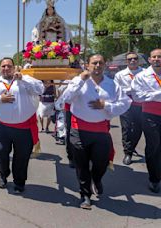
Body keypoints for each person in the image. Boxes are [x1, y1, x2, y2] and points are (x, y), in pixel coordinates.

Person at [63, 54, 131, 209]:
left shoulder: (112, 84)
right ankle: (85, 195)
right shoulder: (77, 81)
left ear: (105, 65)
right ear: (88, 65)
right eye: (94, 63)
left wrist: (106, 105)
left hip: (101, 131)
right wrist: (81, 80)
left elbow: (125, 103)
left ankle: (97, 179)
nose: (97, 65)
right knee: (82, 165)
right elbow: (66, 98)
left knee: (101, 163)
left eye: (101, 63)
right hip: (79, 130)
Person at [0, 57, 44, 193]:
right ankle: (3, 174)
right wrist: (0, 99)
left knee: (21, 158)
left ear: (14, 67)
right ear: (0, 68)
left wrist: (23, 79)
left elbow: (40, 89)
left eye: (9, 66)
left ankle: (19, 182)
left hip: (23, 128)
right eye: (3, 66)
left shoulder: (25, 79)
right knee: (0, 153)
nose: (6, 68)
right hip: (3, 128)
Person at [131, 48, 161, 193]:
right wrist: (158, 95)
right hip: (151, 115)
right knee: (154, 147)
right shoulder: (142, 76)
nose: (157, 59)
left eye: (159, 57)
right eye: (154, 57)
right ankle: (154, 179)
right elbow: (137, 97)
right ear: (149, 60)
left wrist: (153, 94)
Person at [114, 52, 144, 165]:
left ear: (138, 60)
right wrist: (131, 90)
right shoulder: (120, 74)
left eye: (135, 58)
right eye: (130, 59)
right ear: (126, 61)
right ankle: (128, 153)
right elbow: (117, 90)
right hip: (126, 105)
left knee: (138, 129)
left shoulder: (144, 73)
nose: (132, 61)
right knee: (126, 128)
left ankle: (132, 146)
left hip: (140, 105)